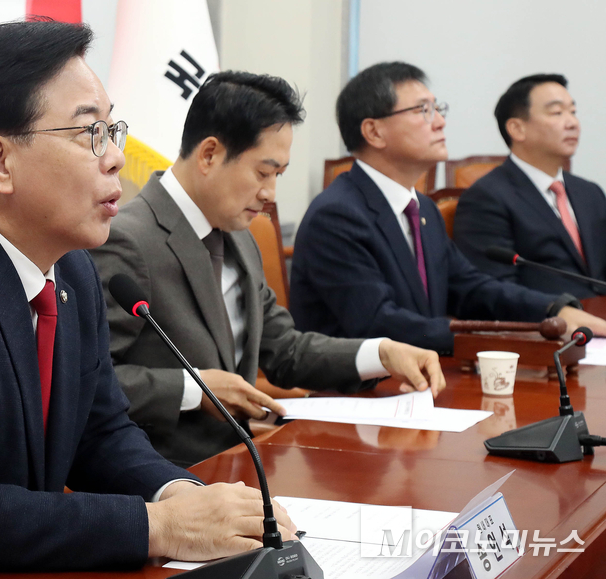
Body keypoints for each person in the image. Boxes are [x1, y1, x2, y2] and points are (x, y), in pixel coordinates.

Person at [0, 21, 298, 578]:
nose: (115, 158)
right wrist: (160, 526)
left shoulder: (72, 272)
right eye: (90, 133)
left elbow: (100, 433)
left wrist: (179, 493)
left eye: (114, 130)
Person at [91, 71, 446, 468]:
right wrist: (193, 389)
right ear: (209, 154)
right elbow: (86, 380)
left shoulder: (240, 236)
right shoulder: (127, 240)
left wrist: (381, 353)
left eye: (278, 175)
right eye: (263, 172)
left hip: (243, 463)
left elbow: (285, 350)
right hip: (167, 474)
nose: (270, 193)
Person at [289, 62, 606, 356]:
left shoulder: (423, 209)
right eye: (423, 111)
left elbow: (471, 288)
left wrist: (555, 309)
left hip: (421, 376)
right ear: (374, 132)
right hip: (356, 389)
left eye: (438, 109)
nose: (440, 122)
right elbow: (378, 323)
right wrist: (500, 341)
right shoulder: (338, 215)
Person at [454, 74, 606, 298]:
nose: (573, 123)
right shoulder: (486, 198)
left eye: (573, 112)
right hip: (550, 318)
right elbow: (493, 290)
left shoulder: (590, 193)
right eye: (557, 112)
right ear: (517, 129)